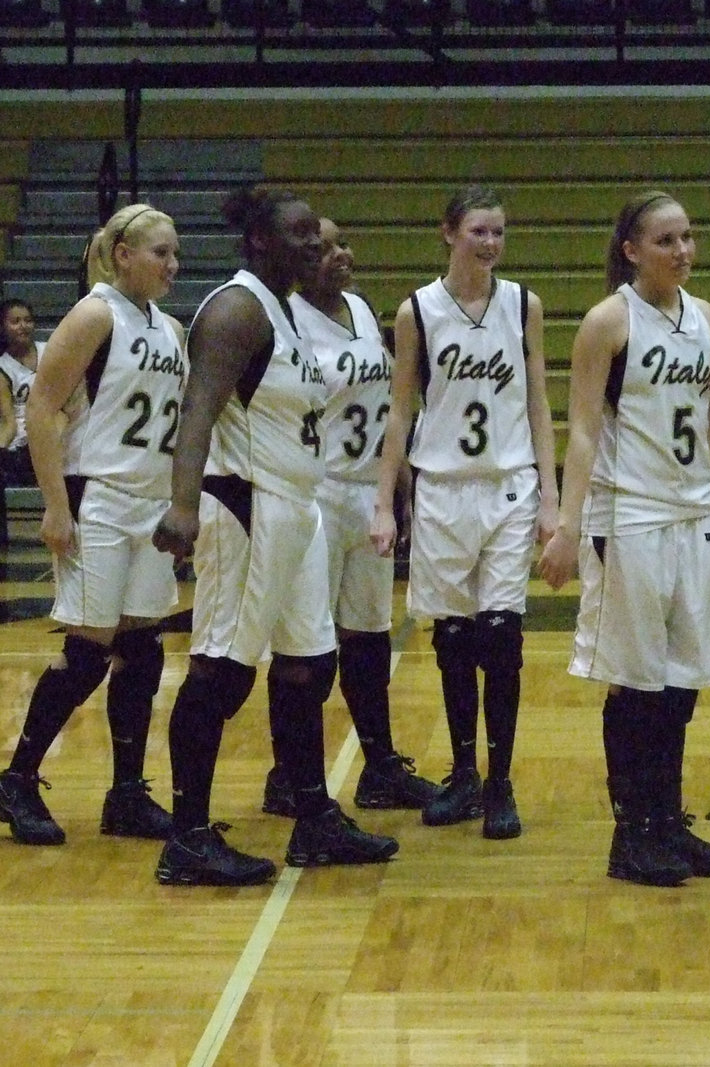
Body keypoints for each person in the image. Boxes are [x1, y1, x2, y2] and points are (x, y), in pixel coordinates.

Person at [538, 190, 710, 887]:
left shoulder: (705, 319)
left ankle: (668, 822)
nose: (682, 250)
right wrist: (567, 527)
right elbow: (583, 430)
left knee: (682, 683)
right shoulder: (607, 323)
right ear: (632, 251)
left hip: (692, 515)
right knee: (637, 683)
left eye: (688, 237)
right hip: (629, 518)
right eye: (666, 240)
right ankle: (633, 834)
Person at [151, 187, 398, 886]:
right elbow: (198, 408)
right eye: (299, 235)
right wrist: (181, 506)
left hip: (298, 507)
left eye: (316, 236)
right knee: (221, 671)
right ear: (260, 240)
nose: (314, 245)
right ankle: (188, 835)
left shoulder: (285, 309)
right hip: (246, 506)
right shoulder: (236, 309)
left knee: (309, 663)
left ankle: (313, 816)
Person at [370, 184, 559, 841]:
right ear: (449, 232)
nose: (490, 243)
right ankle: (465, 774)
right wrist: (384, 498)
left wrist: (552, 497)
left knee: (502, 636)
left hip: (508, 484)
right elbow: (400, 410)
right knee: (452, 639)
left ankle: (502, 781)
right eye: (479, 230)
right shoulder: (417, 311)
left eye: (498, 232)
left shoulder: (523, 305)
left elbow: (538, 402)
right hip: (442, 488)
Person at [0, 206, 186, 846]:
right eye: (160, 252)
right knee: (87, 650)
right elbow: (42, 408)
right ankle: (18, 778)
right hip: (98, 496)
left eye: (176, 254)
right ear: (124, 253)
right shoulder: (95, 312)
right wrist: (54, 504)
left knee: (142, 645)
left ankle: (127, 794)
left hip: (151, 500)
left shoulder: (169, 327)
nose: (172, 265)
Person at [260, 217, 438, 817]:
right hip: (315, 491)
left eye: (342, 243)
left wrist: (400, 474)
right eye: (325, 246)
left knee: (367, 638)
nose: (339, 254)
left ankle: (381, 765)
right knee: (306, 646)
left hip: (366, 491)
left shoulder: (362, 310)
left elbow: (387, 403)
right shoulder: (282, 318)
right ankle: (288, 775)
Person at [0, 297, 44, 487]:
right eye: (15, 321)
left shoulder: (51, 352)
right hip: (21, 442)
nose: (23, 326)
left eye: (27, 320)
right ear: (3, 327)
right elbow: (9, 421)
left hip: (49, 431)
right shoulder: (3, 367)